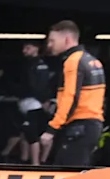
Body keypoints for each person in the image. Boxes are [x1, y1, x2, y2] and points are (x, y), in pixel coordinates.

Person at [34, 19, 104, 168]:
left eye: (52, 40)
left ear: (66, 39)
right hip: (92, 125)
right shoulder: (93, 61)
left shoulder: (73, 62)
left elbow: (70, 98)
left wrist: (52, 129)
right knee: (74, 176)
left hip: (79, 127)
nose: (49, 45)